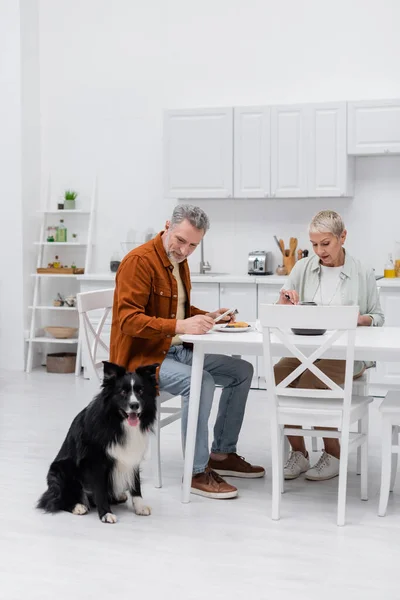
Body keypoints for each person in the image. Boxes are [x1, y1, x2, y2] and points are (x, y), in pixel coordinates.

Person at [110, 204, 265, 499]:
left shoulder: (177, 261)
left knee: (242, 371)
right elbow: (129, 321)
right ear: (168, 225)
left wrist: (209, 315)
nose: (185, 250)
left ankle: (222, 453)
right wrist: (181, 324)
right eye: (181, 240)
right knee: (201, 381)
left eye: (193, 245)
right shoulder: (139, 262)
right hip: (142, 360)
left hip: (173, 350)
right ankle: (195, 471)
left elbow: (175, 311)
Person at [275, 210, 384, 482]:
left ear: (342, 237)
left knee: (313, 379)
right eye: (314, 244)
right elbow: (282, 311)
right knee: (279, 375)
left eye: (325, 243)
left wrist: (362, 319)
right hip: (307, 351)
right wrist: (285, 304)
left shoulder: (362, 272)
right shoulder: (302, 268)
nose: (319, 251)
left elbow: (379, 317)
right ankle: (299, 453)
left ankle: (333, 455)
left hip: (347, 354)